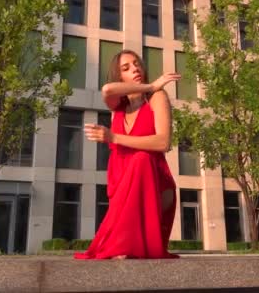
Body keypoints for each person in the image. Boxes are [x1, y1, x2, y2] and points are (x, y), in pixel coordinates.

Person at [74, 50, 181, 260]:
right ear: (119, 76)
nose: (135, 69)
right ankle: (123, 247)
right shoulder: (118, 105)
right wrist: (150, 85)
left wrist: (114, 138)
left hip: (154, 181)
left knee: (141, 158)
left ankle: (125, 247)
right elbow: (107, 89)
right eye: (126, 68)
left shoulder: (157, 98)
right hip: (121, 181)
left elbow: (163, 142)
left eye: (137, 64)